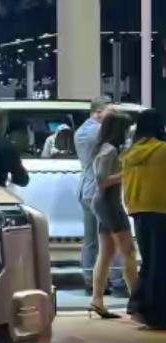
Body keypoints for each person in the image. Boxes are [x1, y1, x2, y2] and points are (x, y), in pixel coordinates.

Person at [89, 112, 137, 319]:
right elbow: (102, 180)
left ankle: (97, 300)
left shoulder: (104, 148)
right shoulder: (109, 150)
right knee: (128, 251)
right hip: (109, 203)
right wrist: (127, 173)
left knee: (106, 252)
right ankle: (137, 300)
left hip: (104, 203)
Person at [122, 109, 166, 328]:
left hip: (138, 210)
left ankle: (140, 307)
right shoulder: (162, 150)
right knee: (161, 264)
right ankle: (158, 314)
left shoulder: (129, 153)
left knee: (149, 261)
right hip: (161, 209)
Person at [75, 97, 119, 293]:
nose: (113, 115)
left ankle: (89, 278)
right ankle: (118, 280)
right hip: (100, 190)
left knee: (90, 239)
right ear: (99, 111)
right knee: (111, 236)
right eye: (110, 111)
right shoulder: (100, 132)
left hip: (86, 188)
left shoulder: (80, 131)